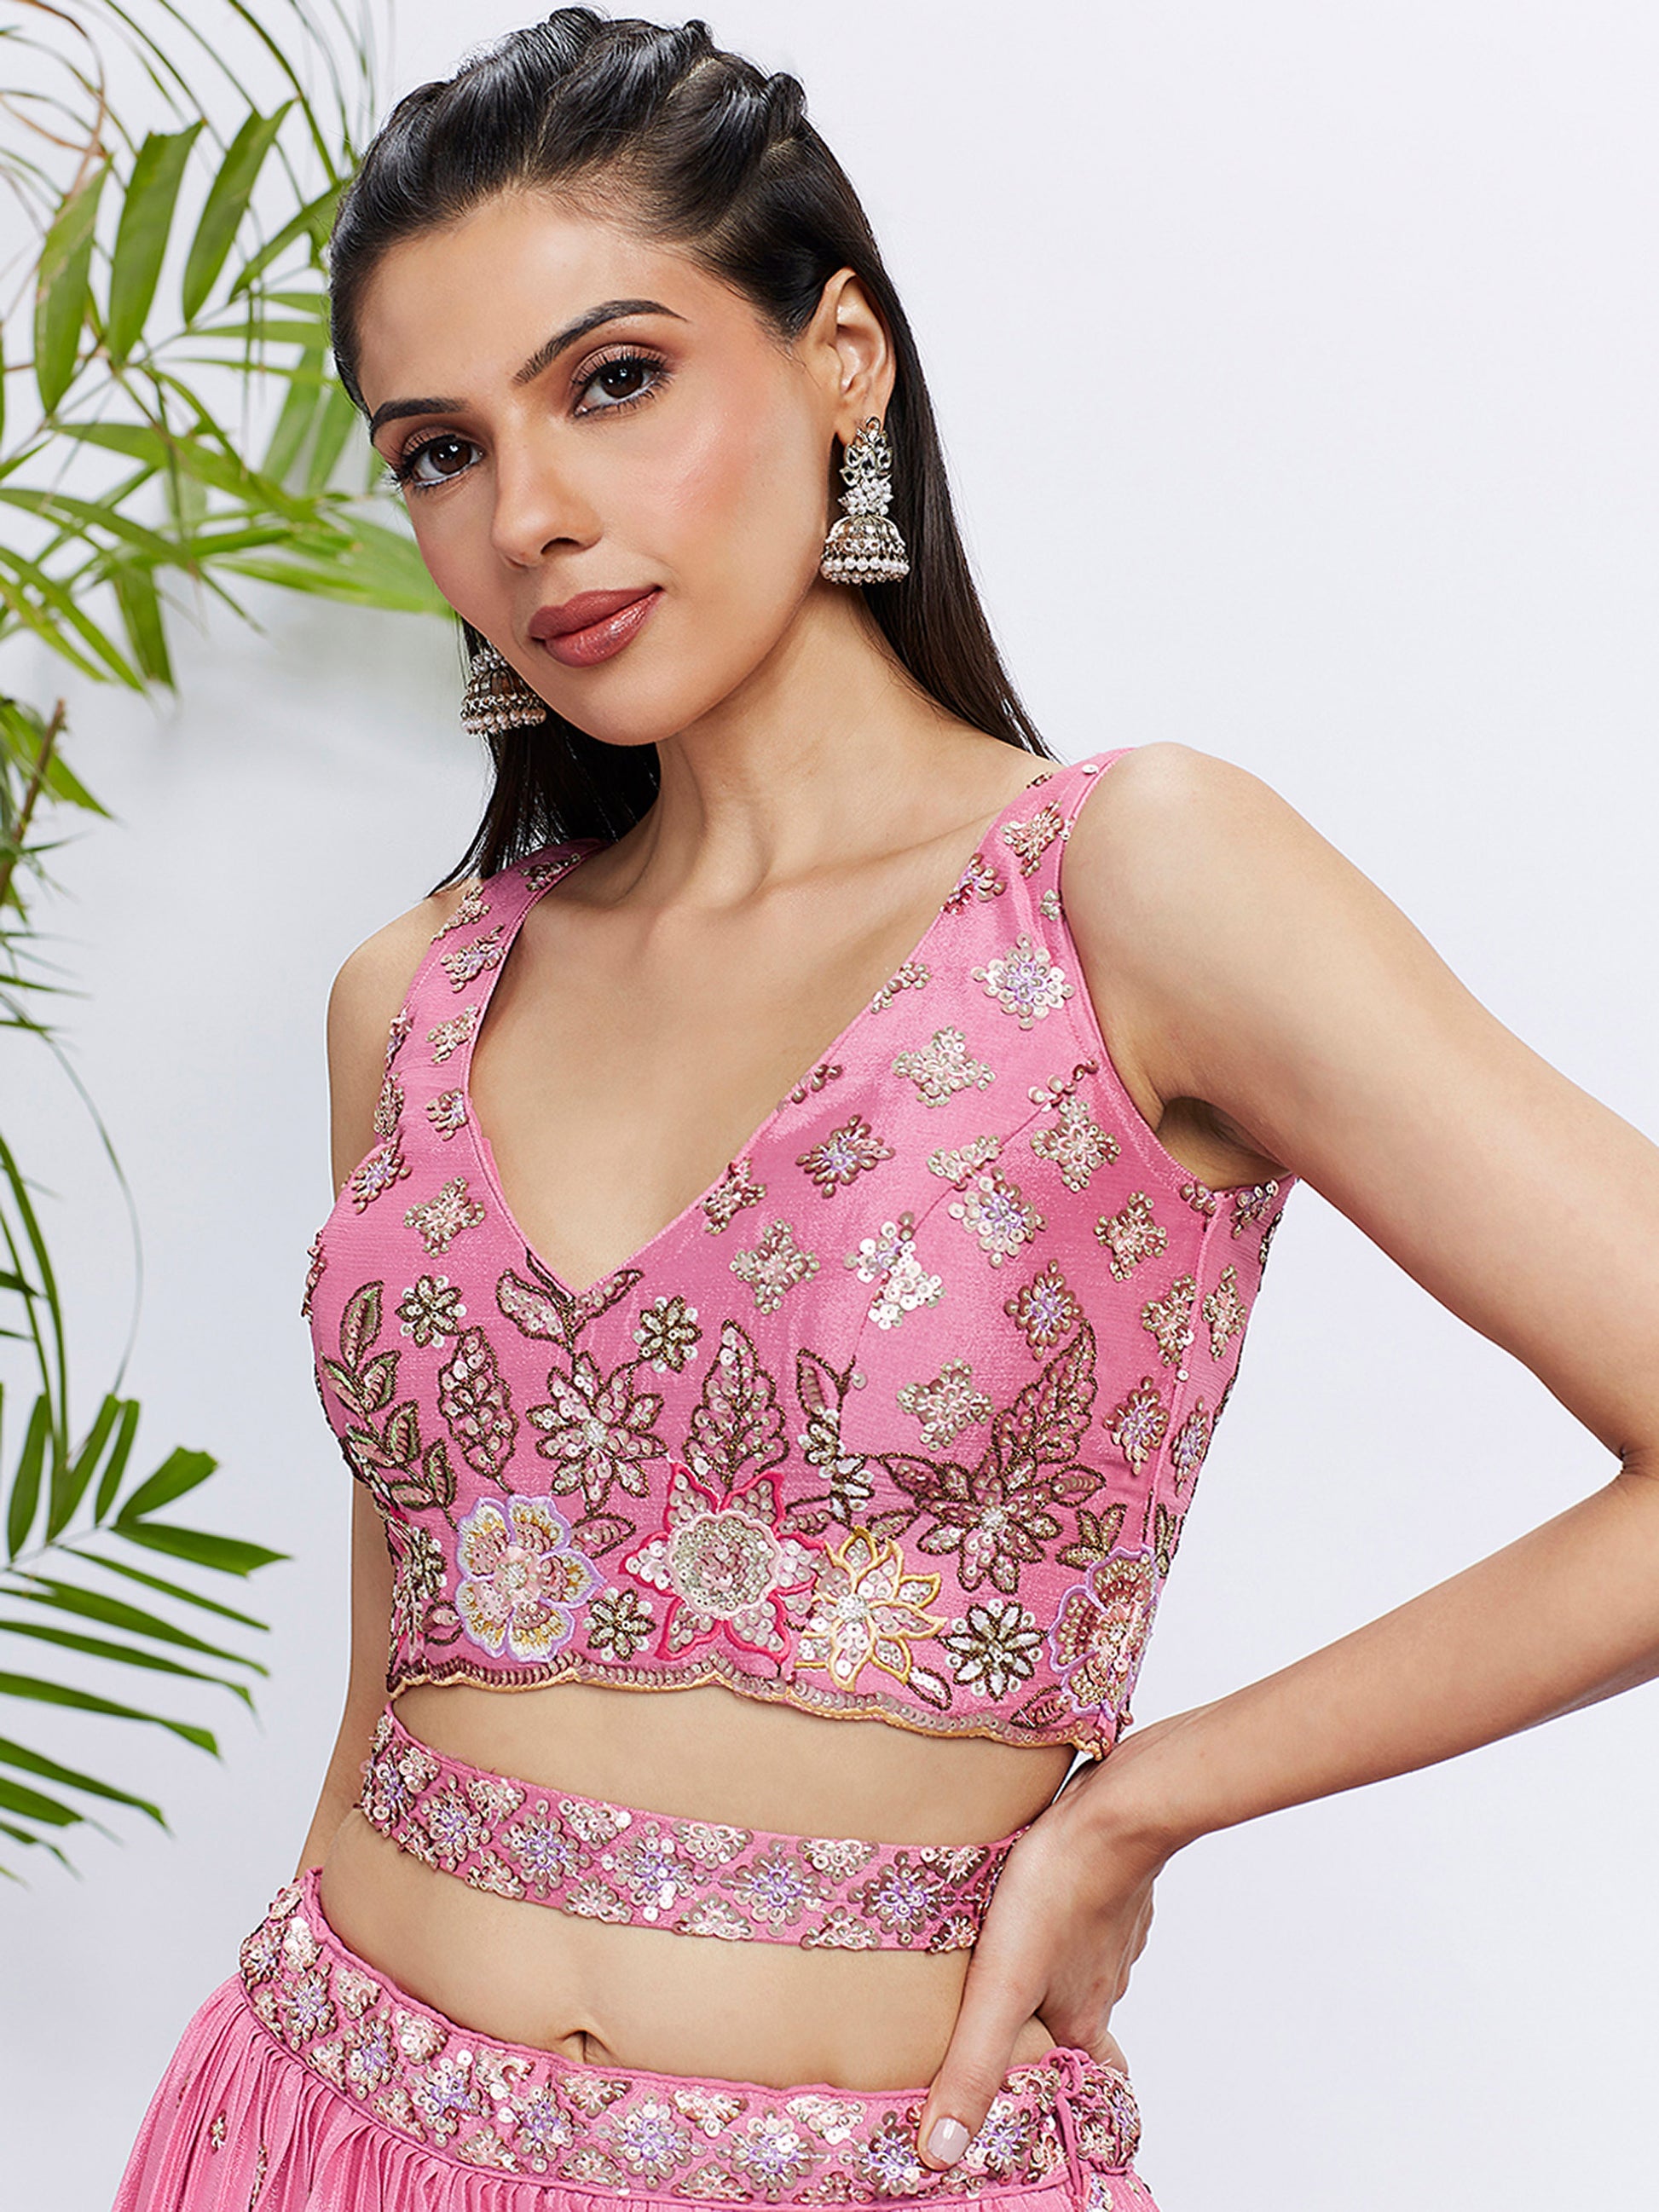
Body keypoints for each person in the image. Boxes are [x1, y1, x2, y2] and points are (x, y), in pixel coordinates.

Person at [113, 11, 1659, 2209]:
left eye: (612, 381)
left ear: (844, 357)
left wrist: (1143, 1806)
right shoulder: (416, 996)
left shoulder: (1132, 887)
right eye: (439, 452)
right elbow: (407, 1644)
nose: (529, 517)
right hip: (318, 2112)